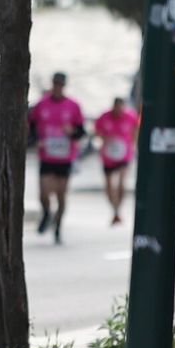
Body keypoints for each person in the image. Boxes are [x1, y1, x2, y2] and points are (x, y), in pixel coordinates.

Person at [28, 72, 86, 245]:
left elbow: (81, 132)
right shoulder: (41, 105)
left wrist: (72, 133)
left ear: (64, 86)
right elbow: (31, 125)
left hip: (65, 157)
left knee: (61, 195)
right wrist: (35, 141)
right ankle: (46, 212)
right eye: (55, 83)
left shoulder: (73, 106)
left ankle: (58, 227)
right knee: (44, 193)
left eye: (60, 84)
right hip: (47, 155)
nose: (57, 87)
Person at [94, 97, 139, 225]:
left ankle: (118, 209)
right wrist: (105, 138)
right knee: (109, 185)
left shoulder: (130, 117)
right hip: (108, 156)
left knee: (121, 183)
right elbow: (97, 133)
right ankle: (114, 210)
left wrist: (133, 145)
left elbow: (135, 131)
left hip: (124, 155)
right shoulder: (104, 117)